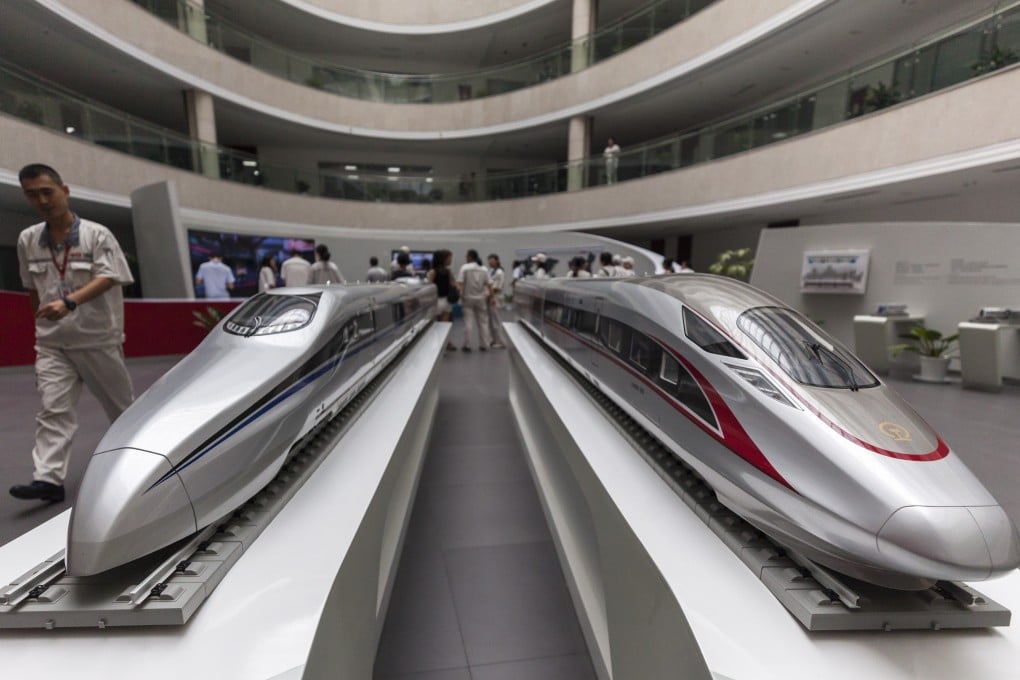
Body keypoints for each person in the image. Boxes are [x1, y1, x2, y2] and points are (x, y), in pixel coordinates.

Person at [11, 163, 135, 503]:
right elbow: (30, 287)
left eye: (47, 192)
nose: (41, 200)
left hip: (96, 338)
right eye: (32, 194)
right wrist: (40, 324)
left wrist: (68, 303)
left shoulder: (97, 235)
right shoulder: (28, 239)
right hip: (53, 343)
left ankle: (141, 462)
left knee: (122, 409)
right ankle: (48, 480)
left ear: (64, 190)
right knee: (53, 409)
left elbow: (109, 276)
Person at [456, 249, 492, 351]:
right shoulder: (484, 269)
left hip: (467, 298)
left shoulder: (464, 268)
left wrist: (459, 295)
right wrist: (491, 297)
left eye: (466, 256)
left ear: (470, 257)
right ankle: (484, 344)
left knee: (468, 322)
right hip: (481, 298)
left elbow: (459, 283)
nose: (465, 257)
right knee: (483, 322)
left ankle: (467, 345)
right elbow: (489, 284)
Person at [485, 253, 507, 348]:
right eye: (489, 260)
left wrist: (489, 295)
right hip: (490, 297)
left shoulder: (499, 272)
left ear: (497, 260)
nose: (490, 262)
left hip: (495, 297)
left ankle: (501, 342)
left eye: (492, 260)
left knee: (496, 320)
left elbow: (497, 287)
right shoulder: (491, 271)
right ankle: (494, 340)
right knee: (491, 320)